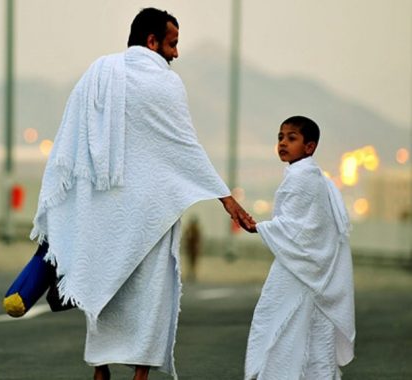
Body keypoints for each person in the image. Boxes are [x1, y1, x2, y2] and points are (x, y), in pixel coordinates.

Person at [29, 8, 254, 380]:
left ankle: (100, 372)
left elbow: (72, 141)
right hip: (151, 212)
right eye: (173, 44)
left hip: (102, 209)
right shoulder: (164, 83)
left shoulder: (97, 74)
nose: (176, 54)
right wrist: (226, 198)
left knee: (103, 288)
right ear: (152, 42)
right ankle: (139, 376)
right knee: (150, 296)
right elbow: (184, 147)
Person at [244, 116, 355, 379]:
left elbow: (301, 229)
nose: (283, 143)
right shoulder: (309, 174)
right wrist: (266, 227)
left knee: (278, 322)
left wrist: (259, 227)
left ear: (309, 146)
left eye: (291, 138)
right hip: (309, 268)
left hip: (299, 269)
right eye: (280, 137)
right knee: (311, 330)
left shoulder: (303, 177)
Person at [183, 216, 202, 282]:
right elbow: (186, 238)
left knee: (193, 263)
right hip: (190, 249)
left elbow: (198, 240)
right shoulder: (189, 230)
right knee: (189, 262)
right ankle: (190, 274)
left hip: (194, 250)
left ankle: (193, 274)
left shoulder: (196, 230)